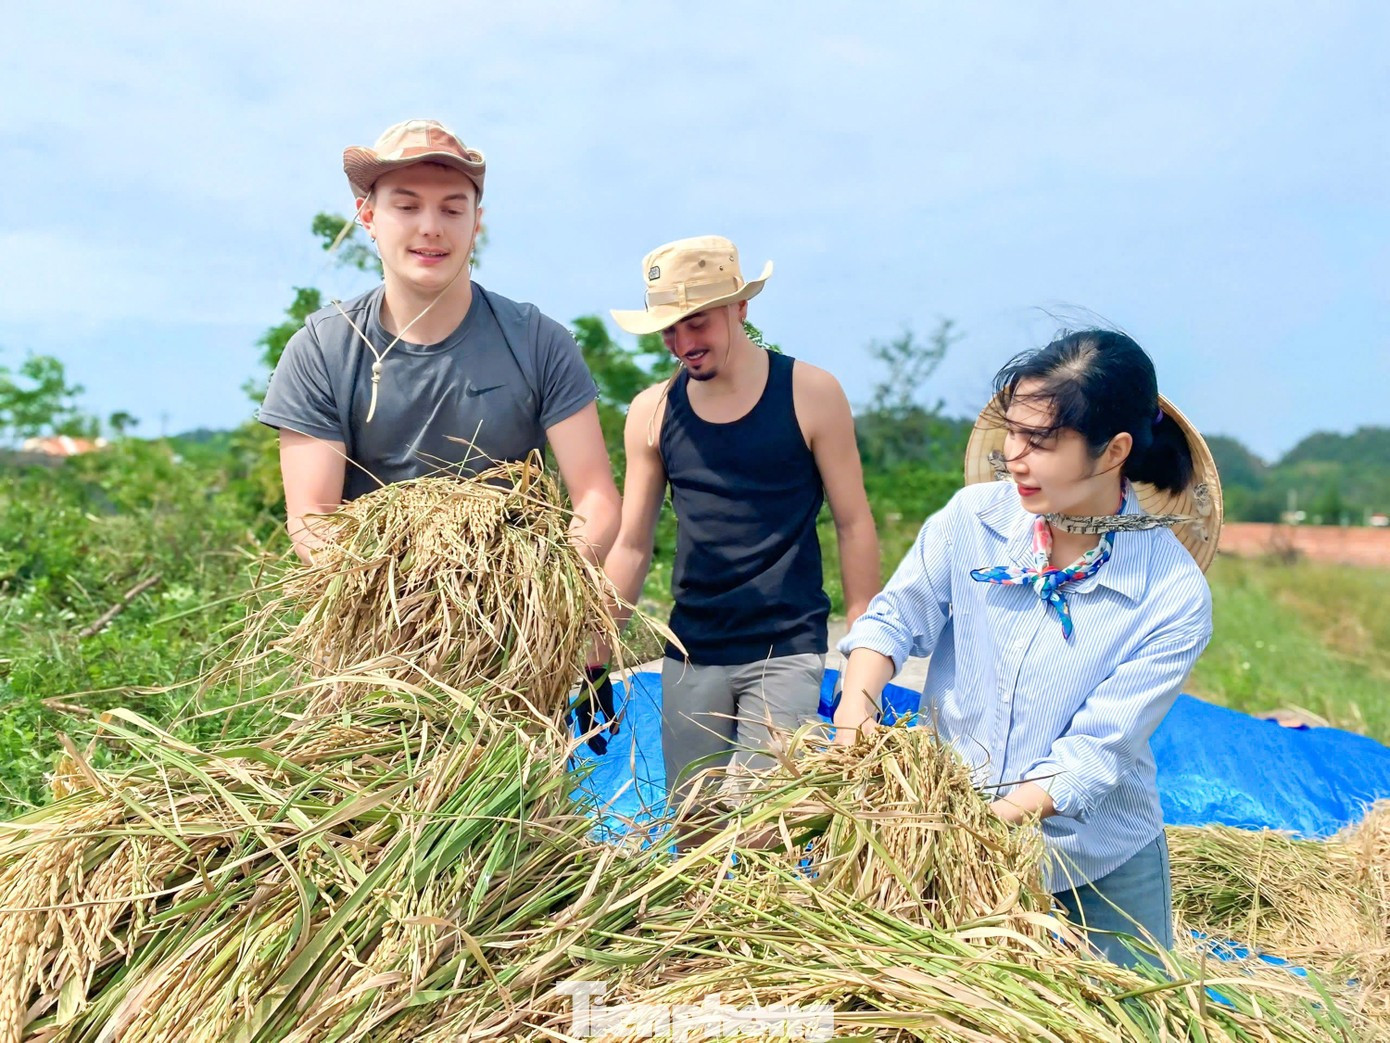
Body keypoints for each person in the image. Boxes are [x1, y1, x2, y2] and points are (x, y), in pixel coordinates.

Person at [833, 328, 1222, 966]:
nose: (1015, 456)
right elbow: (894, 618)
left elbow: (1092, 754)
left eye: (1041, 441)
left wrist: (977, 830)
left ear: (1114, 450)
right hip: (947, 832)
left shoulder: (1168, 594)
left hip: (1091, 861)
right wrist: (856, 706)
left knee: (1125, 1011)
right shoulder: (973, 520)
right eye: (1013, 432)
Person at [259, 119, 620, 573]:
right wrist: (393, 588)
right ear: (368, 217)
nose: (431, 228)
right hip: (373, 598)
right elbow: (313, 516)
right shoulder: (322, 349)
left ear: (476, 223)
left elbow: (595, 498)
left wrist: (541, 584)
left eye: (452, 210)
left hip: (513, 598)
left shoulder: (538, 341)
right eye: (407, 207)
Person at [603, 235, 881, 805]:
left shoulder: (810, 393)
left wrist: (863, 651)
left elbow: (853, 522)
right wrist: (595, 655)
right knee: (692, 825)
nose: (683, 344)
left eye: (697, 323)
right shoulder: (652, 411)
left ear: (740, 307)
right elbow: (632, 544)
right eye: (669, 329)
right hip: (691, 650)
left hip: (786, 647)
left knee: (765, 826)